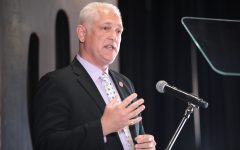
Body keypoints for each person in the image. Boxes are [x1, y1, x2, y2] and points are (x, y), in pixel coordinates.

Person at [32, 2, 156, 150]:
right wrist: (103, 127)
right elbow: (46, 144)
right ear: (82, 33)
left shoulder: (125, 83)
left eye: (118, 31)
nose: (113, 37)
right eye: (105, 28)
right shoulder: (56, 83)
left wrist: (145, 145)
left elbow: (136, 135)